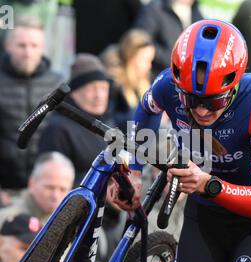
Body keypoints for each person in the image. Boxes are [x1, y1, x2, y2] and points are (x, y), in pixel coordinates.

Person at [114, 19, 251, 262]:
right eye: (191, 100)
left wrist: (208, 184)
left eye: (213, 102)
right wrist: (135, 169)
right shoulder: (167, 85)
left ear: (234, 87)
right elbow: (145, 112)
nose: (201, 110)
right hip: (208, 214)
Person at [0, 16, 63, 192]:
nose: (27, 52)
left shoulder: (58, 84)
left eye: (34, 46)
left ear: (42, 48)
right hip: (5, 187)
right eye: (21, 45)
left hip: (48, 188)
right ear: (8, 47)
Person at [38, 53, 114, 186]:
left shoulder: (108, 122)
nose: (99, 95)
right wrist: (103, 187)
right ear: (74, 92)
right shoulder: (57, 129)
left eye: (103, 88)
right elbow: (53, 185)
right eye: (91, 89)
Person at [100, 29, 156, 134]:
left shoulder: (145, 81)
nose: (149, 66)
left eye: (151, 60)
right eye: (144, 59)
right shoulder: (114, 85)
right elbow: (110, 121)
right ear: (130, 57)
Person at [0, 151, 75, 229]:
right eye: (50, 187)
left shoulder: (73, 225)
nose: (55, 196)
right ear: (31, 184)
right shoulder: (6, 220)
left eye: (63, 190)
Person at [134, 0, 203, 77]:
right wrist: (172, 59)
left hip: (185, 78)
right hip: (157, 75)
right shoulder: (155, 8)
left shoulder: (196, 12)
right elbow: (140, 41)